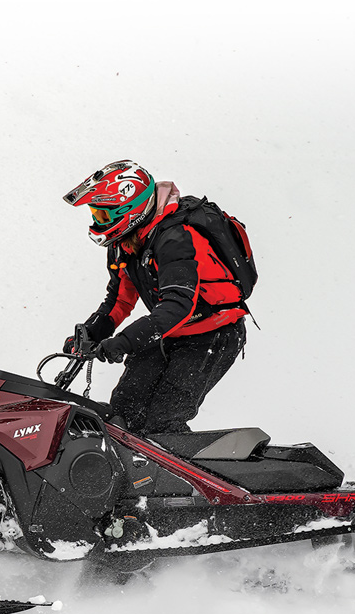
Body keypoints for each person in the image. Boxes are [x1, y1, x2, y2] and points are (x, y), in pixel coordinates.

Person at [62, 160, 248, 435]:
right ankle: (125, 477)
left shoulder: (176, 238)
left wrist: (124, 342)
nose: (97, 221)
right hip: (167, 332)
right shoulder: (125, 241)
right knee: (124, 413)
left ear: (130, 208)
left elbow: (178, 305)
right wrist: (93, 332)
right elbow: (120, 298)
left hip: (212, 334)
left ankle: (192, 477)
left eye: (103, 214)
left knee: (162, 422)